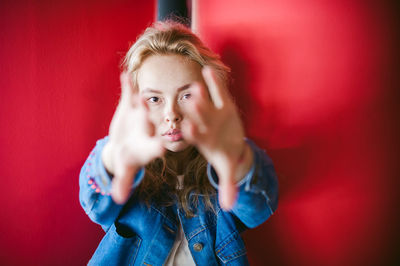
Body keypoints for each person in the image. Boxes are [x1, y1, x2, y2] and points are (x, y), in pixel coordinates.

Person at [79, 21, 278, 266]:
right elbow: (95, 204)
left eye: (186, 95)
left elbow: (257, 210)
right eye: (154, 98)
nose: (171, 114)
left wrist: (238, 160)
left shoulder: (222, 165)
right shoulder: (129, 169)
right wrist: (112, 161)